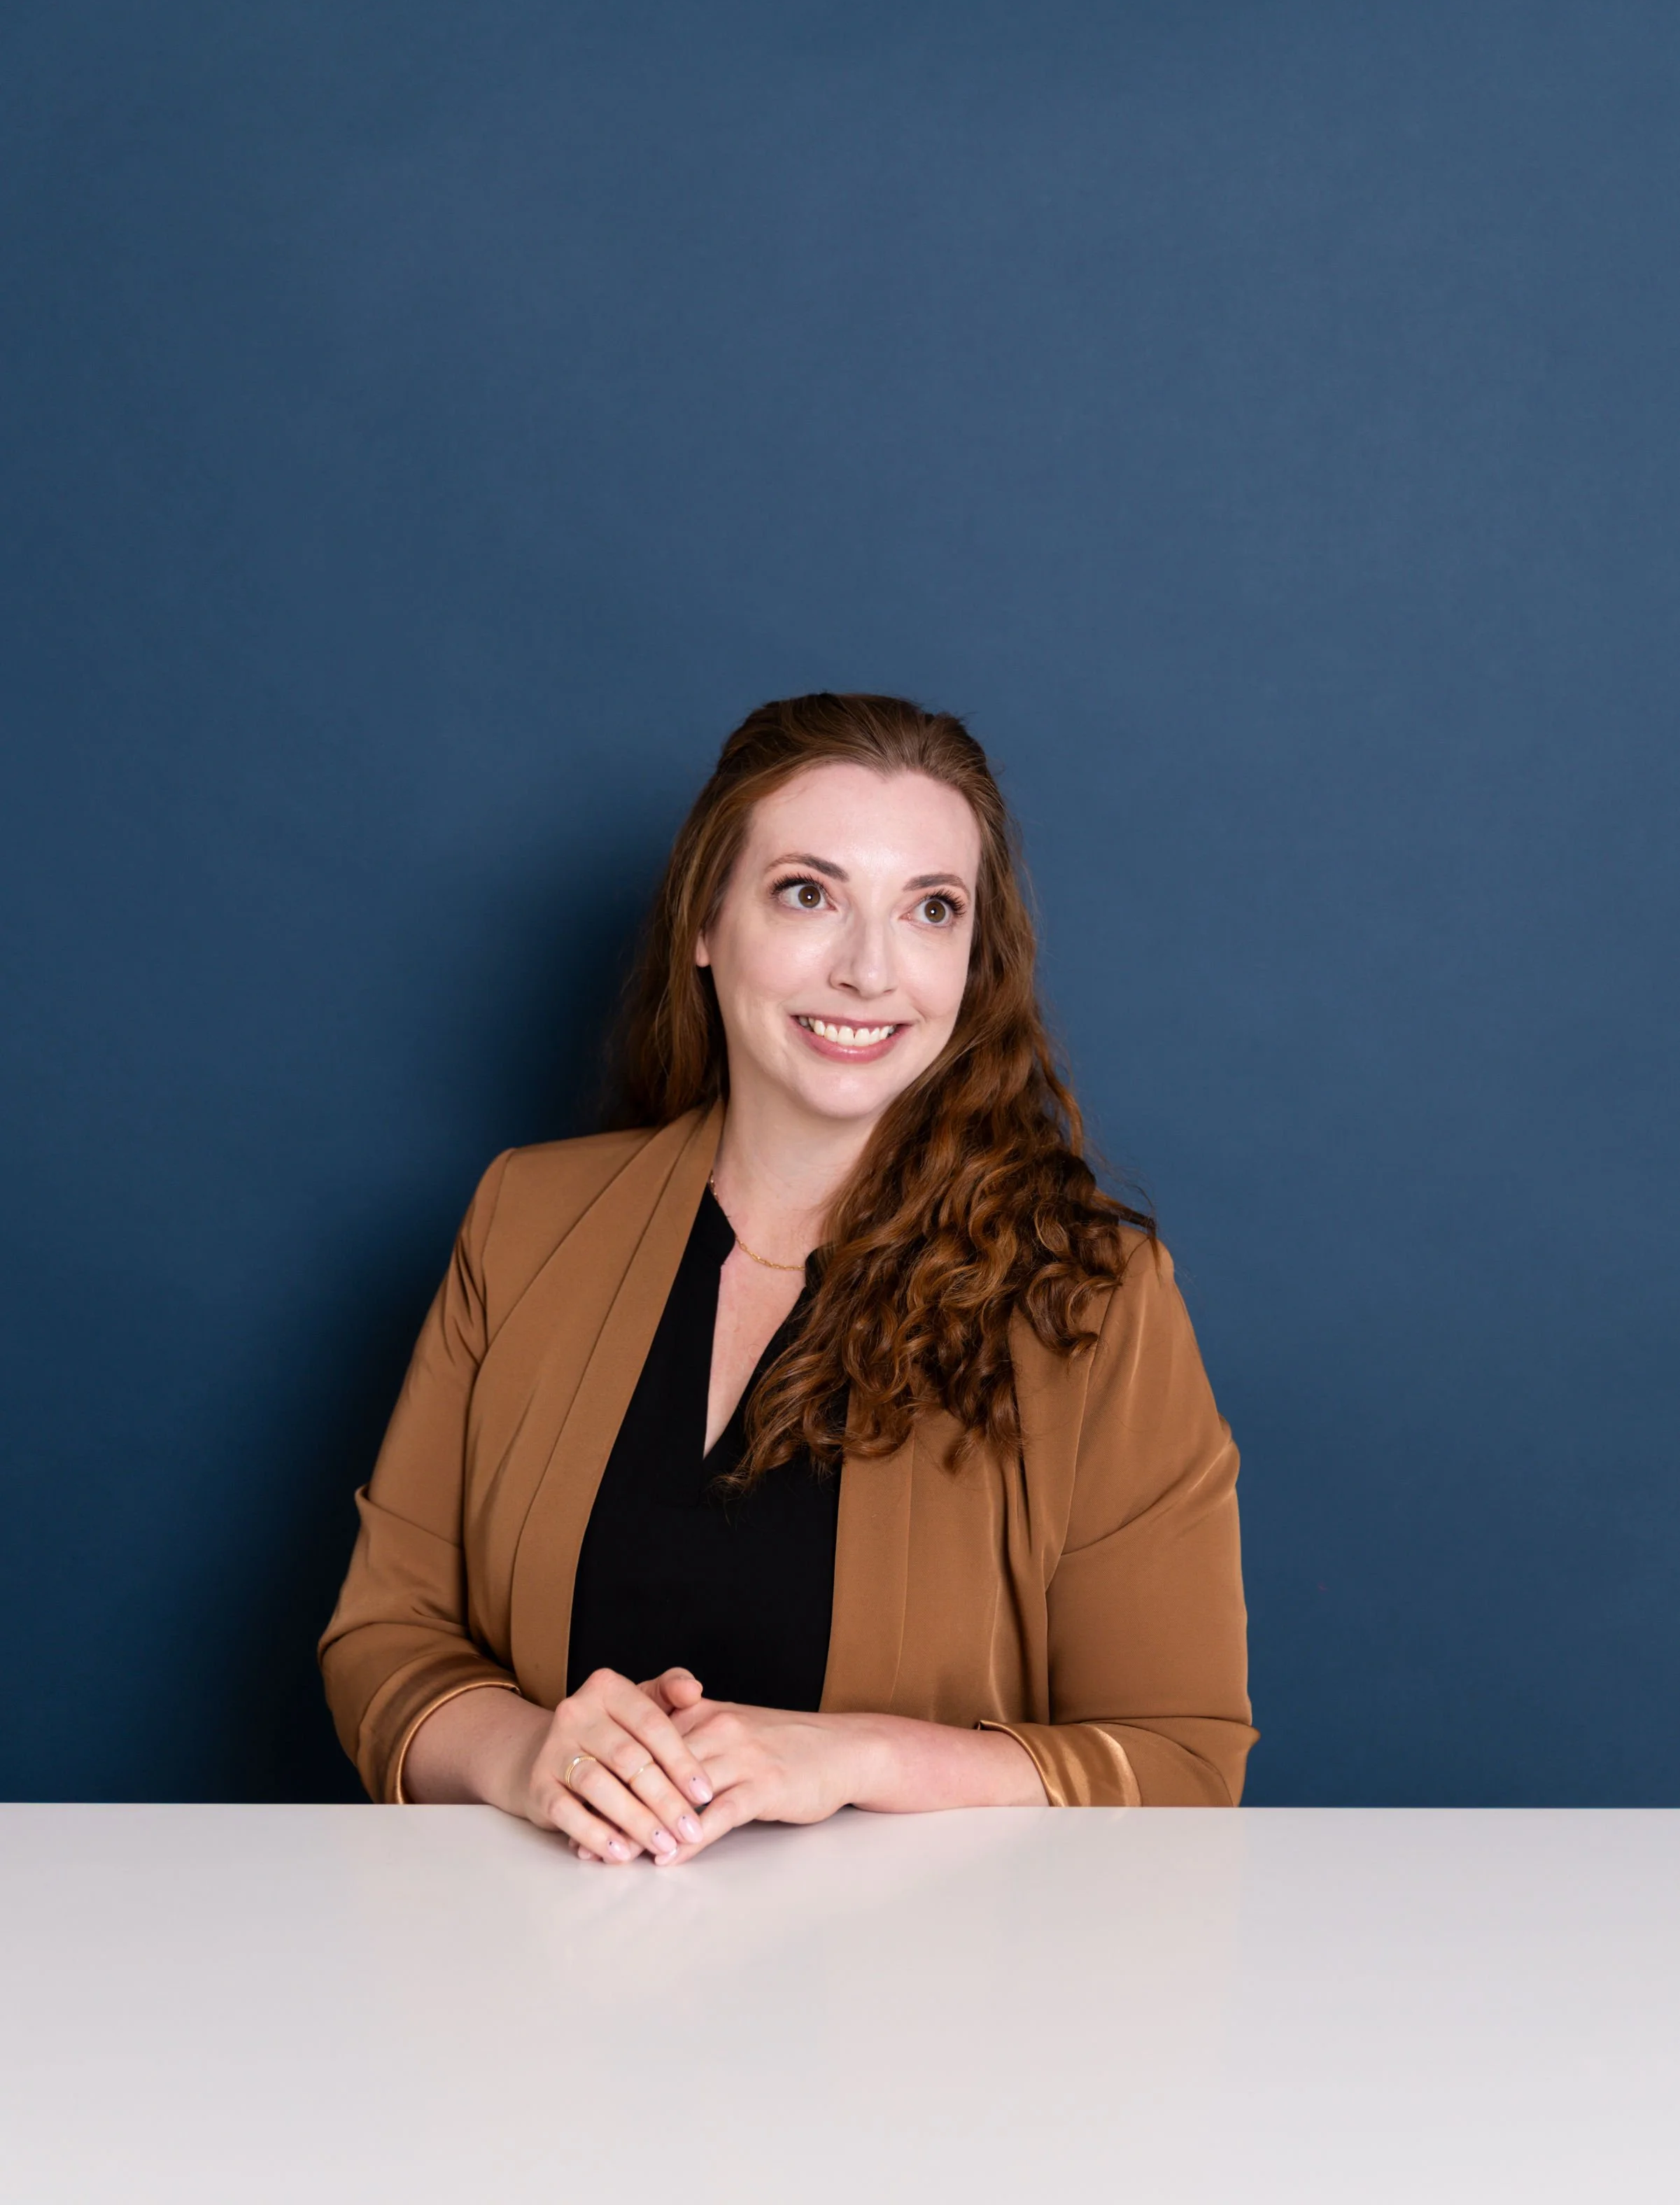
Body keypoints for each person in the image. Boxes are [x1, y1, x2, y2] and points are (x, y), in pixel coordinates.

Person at [320, 693, 1255, 1863]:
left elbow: (1183, 1757)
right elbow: (385, 1639)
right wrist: (525, 1755)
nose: (869, 970)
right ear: (706, 924)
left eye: (930, 910)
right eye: (809, 893)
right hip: (540, 1988)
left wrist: (855, 1756)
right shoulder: (525, 1218)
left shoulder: (1094, 1293)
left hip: (929, 2021)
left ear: (972, 962)